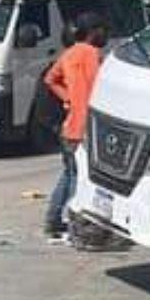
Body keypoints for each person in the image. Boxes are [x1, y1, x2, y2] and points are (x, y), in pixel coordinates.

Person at [42, 12, 108, 239]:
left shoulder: (68, 55)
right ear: (92, 32)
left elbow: (50, 79)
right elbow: (102, 90)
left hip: (69, 126)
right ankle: (75, 225)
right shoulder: (95, 56)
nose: (103, 34)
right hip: (87, 128)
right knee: (81, 179)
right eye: (100, 29)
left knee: (70, 174)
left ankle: (53, 219)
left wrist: (68, 97)